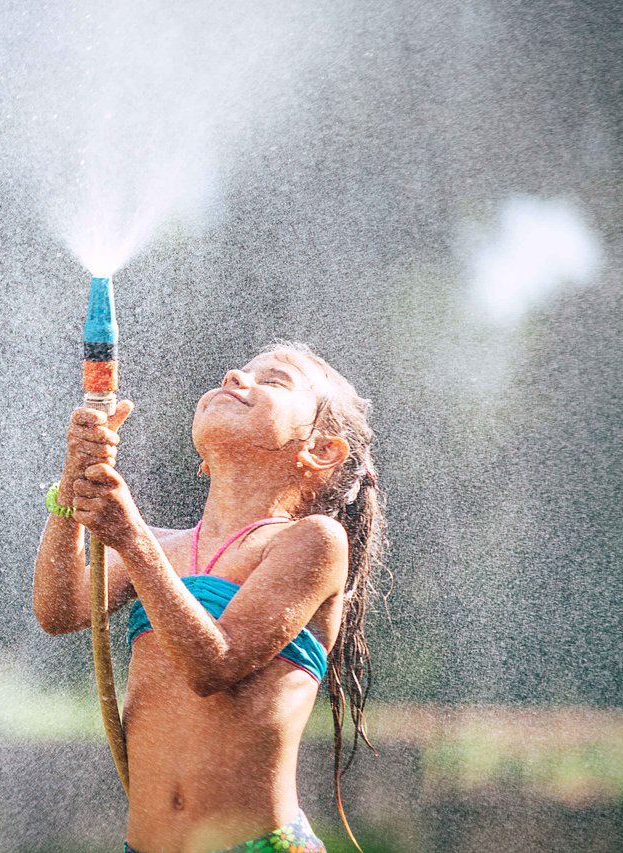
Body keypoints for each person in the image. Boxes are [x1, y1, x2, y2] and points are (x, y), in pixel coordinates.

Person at [33, 342, 385, 853]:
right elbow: (59, 609)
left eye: (276, 379)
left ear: (321, 450)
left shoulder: (312, 541)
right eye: (240, 370)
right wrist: (71, 485)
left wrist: (131, 539)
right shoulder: (162, 548)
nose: (235, 376)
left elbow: (213, 665)